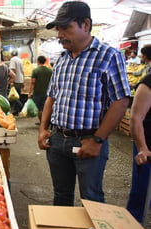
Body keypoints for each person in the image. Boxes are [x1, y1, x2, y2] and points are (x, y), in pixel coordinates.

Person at [38, 1, 131, 206]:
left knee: (92, 199)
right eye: (58, 29)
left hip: (88, 141)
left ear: (86, 25)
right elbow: (51, 96)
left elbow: (121, 101)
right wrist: (43, 129)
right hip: (57, 140)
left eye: (66, 27)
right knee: (61, 195)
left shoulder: (109, 56)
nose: (60, 34)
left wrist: (97, 140)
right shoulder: (61, 59)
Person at [126, 73, 151, 223]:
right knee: (141, 192)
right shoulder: (148, 82)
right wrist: (142, 147)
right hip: (147, 148)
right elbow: (136, 117)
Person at [28, 56, 52, 124]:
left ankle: (42, 122)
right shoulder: (50, 70)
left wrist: (29, 93)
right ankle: (45, 122)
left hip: (37, 92)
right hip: (47, 93)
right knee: (45, 108)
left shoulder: (35, 71)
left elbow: (33, 83)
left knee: (39, 109)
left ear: (38, 61)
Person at [9, 49, 25, 114]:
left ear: (11, 55)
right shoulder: (20, 60)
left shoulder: (13, 60)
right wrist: (23, 81)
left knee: (14, 96)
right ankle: (16, 111)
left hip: (16, 80)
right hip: (20, 80)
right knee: (17, 95)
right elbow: (22, 71)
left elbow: (13, 70)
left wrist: (12, 81)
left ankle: (22, 107)